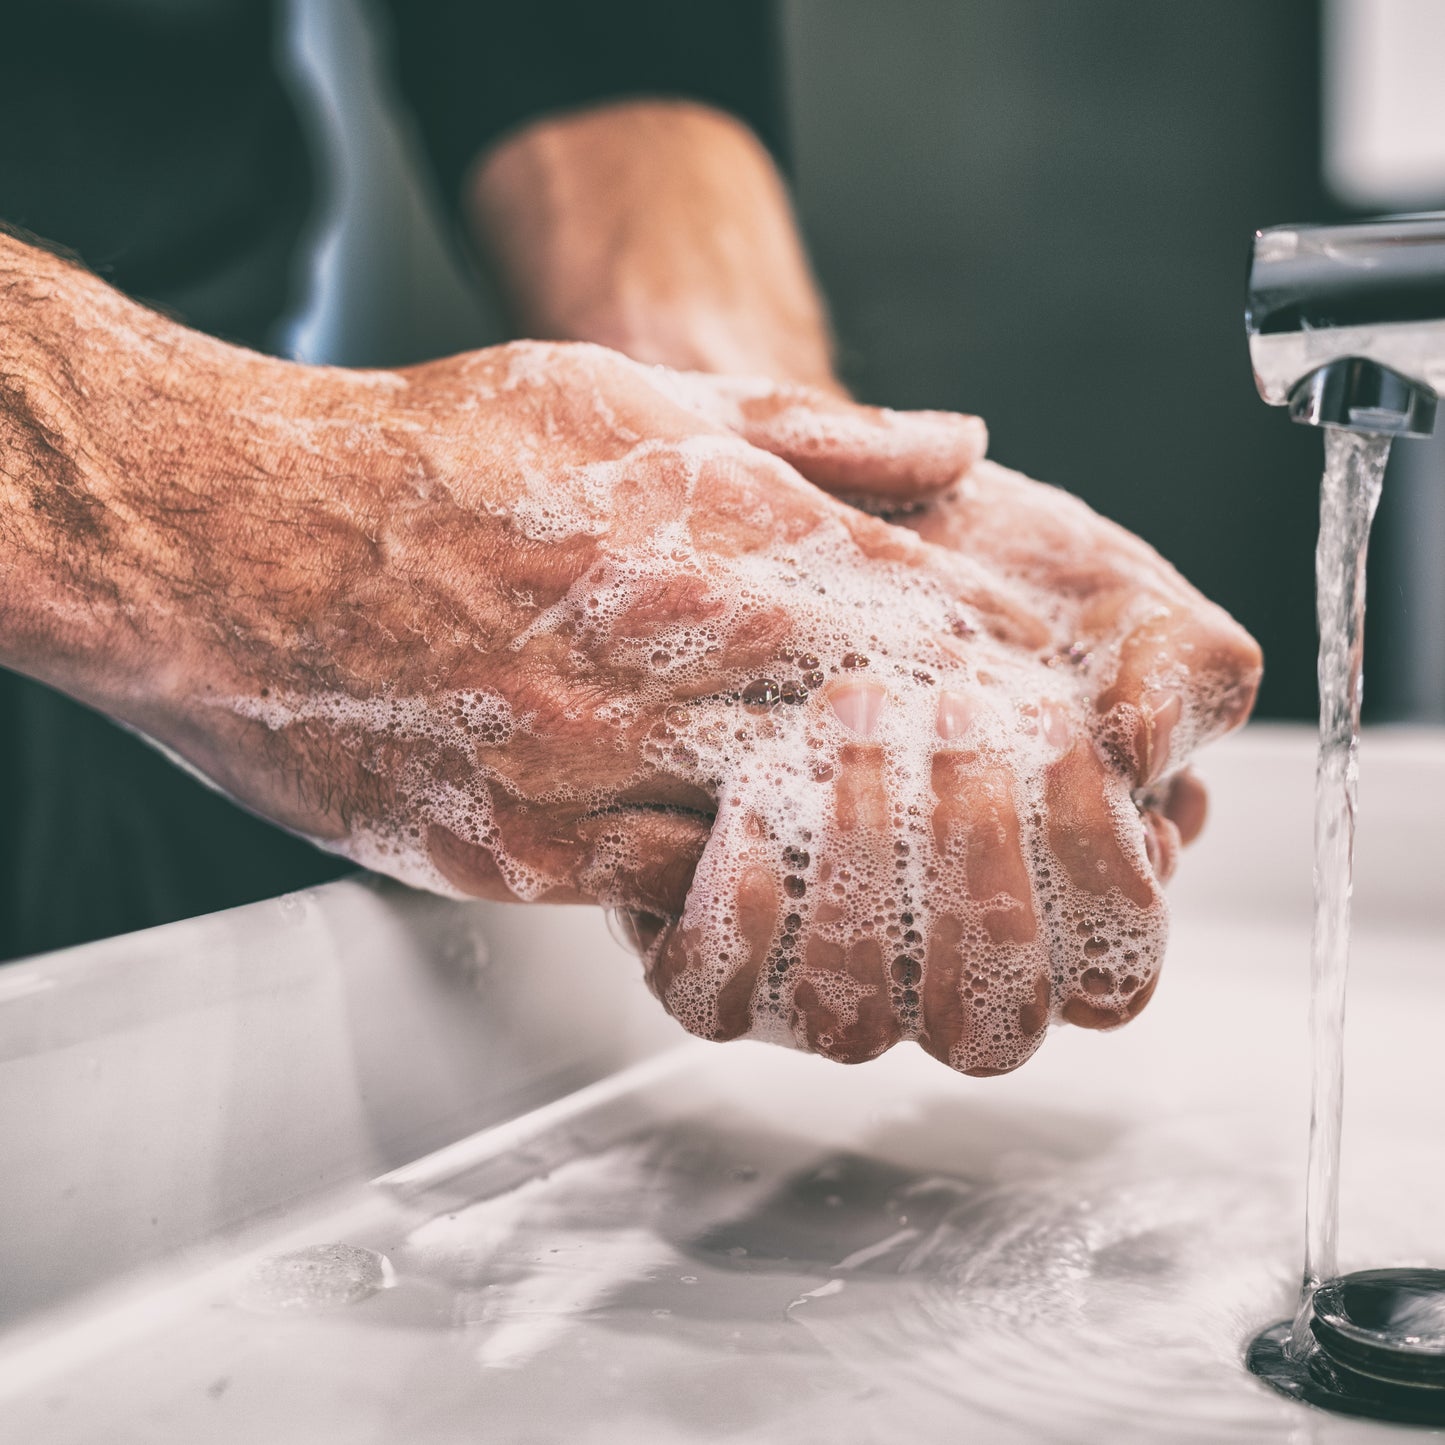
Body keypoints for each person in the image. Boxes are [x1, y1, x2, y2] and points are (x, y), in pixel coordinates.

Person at [0, 1, 1260, 1074]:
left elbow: (583, 37)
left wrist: (785, 517)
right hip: (192, 623)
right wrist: (247, 529)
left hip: (178, 789)